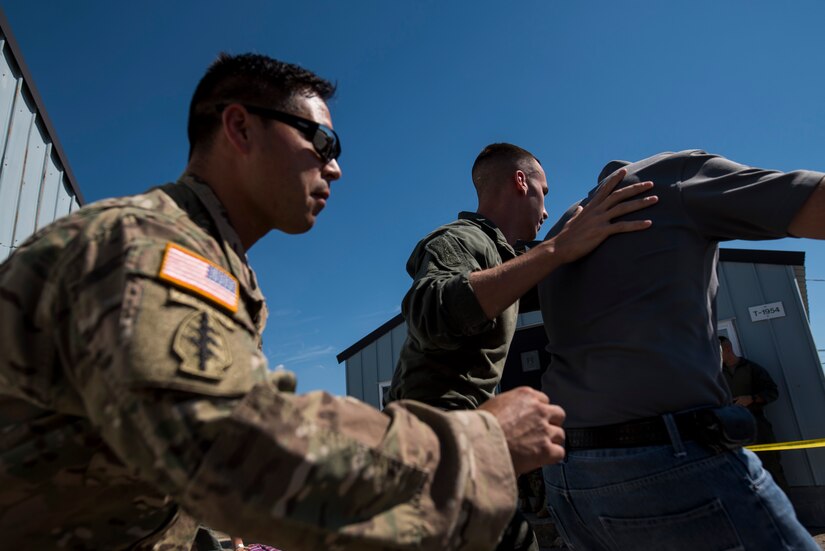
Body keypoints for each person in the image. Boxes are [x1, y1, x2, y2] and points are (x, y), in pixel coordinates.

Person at [0, 53, 571, 550]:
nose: (336, 166)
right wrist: (479, 445)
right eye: (321, 141)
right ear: (240, 127)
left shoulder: (209, 261)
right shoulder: (148, 247)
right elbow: (231, 449)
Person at [537, 149, 824, 550]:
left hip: (570, 479)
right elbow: (813, 200)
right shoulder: (670, 178)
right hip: (667, 465)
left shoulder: (562, 231)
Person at [386, 143, 658, 550]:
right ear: (520, 181)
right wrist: (557, 248)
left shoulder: (505, 258)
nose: (547, 210)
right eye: (544, 192)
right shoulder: (458, 240)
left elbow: (550, 277)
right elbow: (430, 314)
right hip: (432, 440)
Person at [720, 335, 790, 493]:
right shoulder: (716, 374)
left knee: (771, 468)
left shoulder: (751, 368)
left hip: (758, 428)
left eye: (717, 351)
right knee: (742, 473)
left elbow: (772, 392)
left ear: (727, 349)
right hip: (731, 430)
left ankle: (785, 513)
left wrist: (751, 398)